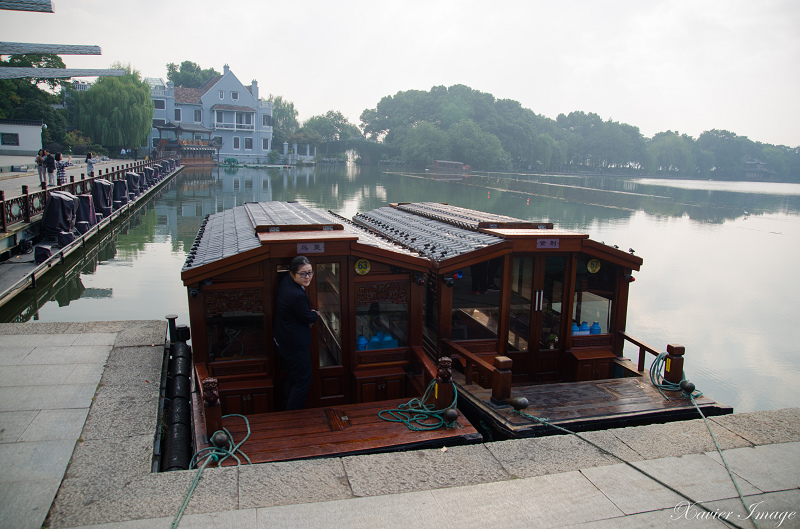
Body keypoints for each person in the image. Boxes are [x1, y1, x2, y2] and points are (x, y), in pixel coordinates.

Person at [273, 255, 318, 410]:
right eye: (303, 274)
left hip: (283, 339)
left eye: (310, 273)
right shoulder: (297, 295)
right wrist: (315, 314)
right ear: (292, 274)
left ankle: (288, 413)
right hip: (294, 345)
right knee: (303, 381)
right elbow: (307, 317)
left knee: (293, 378)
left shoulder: (286, 282)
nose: (308, 277)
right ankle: (293, 417)